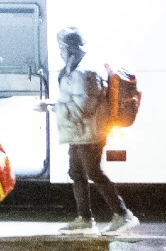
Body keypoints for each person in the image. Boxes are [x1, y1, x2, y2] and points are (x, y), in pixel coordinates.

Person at [51, 27, 139, 235]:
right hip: (80, 132)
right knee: (76, 173)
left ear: (70, 49)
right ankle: (84, 220)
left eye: (61, 48)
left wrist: (54, 107)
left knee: (93, 173)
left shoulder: (84, 72)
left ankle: (123, 215)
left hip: (90, 133)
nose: (60, 52)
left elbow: (83, 107)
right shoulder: (75, 68)